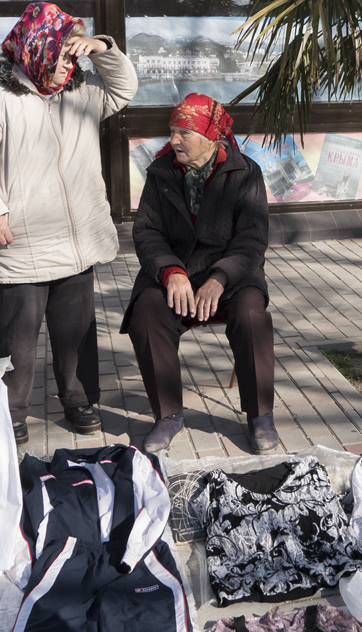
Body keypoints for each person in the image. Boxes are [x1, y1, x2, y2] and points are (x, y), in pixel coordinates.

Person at [0, 2, 137, 445]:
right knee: (18, 339)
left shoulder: (80, 91)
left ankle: (79, 399)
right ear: (38, 47)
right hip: (21, 240)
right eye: (64, 54)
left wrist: (101, 48)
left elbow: (124, 89)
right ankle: (10, 412)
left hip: (76, 239)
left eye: (73, 55)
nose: (69, 63)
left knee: (77, 331)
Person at [120, 93, 279, 455]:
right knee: (146, 314)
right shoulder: (160, 172)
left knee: (252, 316)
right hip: (175, 271)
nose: (173, 140)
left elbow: (253, 240)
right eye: (172, 131)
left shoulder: (245, 173)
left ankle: (259, 413)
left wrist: (221, 277)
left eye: (184, 133)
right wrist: (171, 272)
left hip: (231, 274)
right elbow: (146, 232)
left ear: (211, 137)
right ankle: (168, 413)